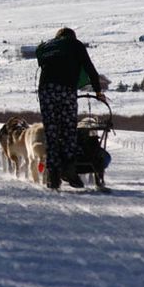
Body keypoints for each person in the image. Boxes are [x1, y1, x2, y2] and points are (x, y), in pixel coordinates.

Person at [36, 27, 106, 189]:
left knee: (51, 132)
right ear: (72, 37)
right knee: (68, 131)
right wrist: (98, 91)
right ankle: (69, 169)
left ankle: (53, 176)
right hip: (66, 90)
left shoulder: (46, 46)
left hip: (46, 91)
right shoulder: (76, 45)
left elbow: (42, 61)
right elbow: (89, 68)